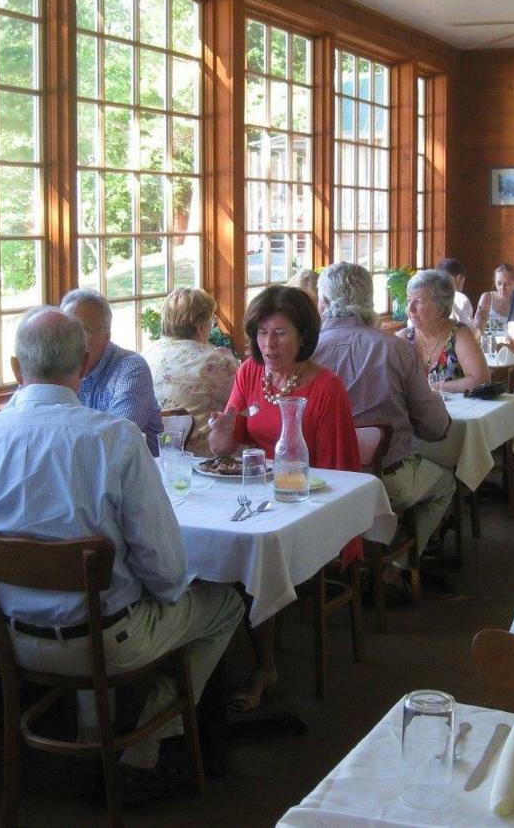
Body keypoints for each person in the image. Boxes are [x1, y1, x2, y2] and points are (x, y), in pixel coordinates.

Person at [0, 307, 243, 789]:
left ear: (14, 368)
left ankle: (94, 741)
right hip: (105, 641)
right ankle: (144, 745)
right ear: (86, 363)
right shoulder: (115, 439)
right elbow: (166, 567)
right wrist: (170, 593)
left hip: (13, 639)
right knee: (224, 604)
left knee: (99, 595)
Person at [206, 285, 362, 712]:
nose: (268, 345)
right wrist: (220, 437)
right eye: (260, 333)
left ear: (304, 335)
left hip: (307, 507)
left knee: (255, 556)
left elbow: (336, 474)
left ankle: (263, 667)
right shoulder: (250, 374)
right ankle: (208, 668)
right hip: (253, 498)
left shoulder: (326, 388)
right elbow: (231, 438)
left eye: (280, 334)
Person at [314, 263, 454, 591]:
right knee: (446, 484)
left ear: (323, 302)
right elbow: (434, 427)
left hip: (320, 480)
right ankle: (394, 564)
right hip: (382, 481)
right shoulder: (395, 348)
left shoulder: (306, 352)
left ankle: (336, 565)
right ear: (368, 299)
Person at [61, 287, 165, 455]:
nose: (72, 341)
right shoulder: (54, 369)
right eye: (66, 332)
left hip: (134, 477)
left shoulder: (130, 368)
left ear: (107, 336)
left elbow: (118, 438)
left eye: (83, 331)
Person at [143, 288, 239, 457]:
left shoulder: (144, 356)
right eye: (212, 321)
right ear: (201, 327)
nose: (212, 326)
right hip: (201, 459)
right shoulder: (215, 361)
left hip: (157, 455)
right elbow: (241, 403)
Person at [396, 269, 490, 393]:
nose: (410, 309)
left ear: (440, 309)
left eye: (418, 301)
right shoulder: (404, 338)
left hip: (457, 411)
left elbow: (481, 380)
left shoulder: (458, 334)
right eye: (409, 301)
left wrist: (434, 388)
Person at [474, 263, 514, 335]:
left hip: (511, 345)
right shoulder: (487, 298)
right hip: (488, 343)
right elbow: (477, 327)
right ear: (494, 281)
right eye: (499, 283)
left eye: (507, 284)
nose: (502, 288)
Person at [436, 257, 475, 327]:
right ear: (460, 278)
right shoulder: (459, 298)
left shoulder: (429, 296)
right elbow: (470, 331)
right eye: (463, 281)